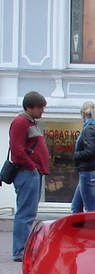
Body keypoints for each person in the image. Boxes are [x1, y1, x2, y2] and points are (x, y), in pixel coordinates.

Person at [8, 91, 49, 261]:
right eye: (40, 108)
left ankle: (24, 248)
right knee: (25, 213)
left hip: (33, 172)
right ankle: (20, 250)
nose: (42, 111)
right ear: (29, 107)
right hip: (27, 173)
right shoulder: (20, 123)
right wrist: (32, 167)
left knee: (29, 212)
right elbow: (17, 150)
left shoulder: (29, 122)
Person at [72, 100, 95, 214]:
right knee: (76, 206)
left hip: (88, 171)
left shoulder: (88, 129)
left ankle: (91, 225)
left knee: (90, 209)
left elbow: (90, 151)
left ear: (83, 114)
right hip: (94, 169)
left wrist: (76, 155)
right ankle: (79, 225)